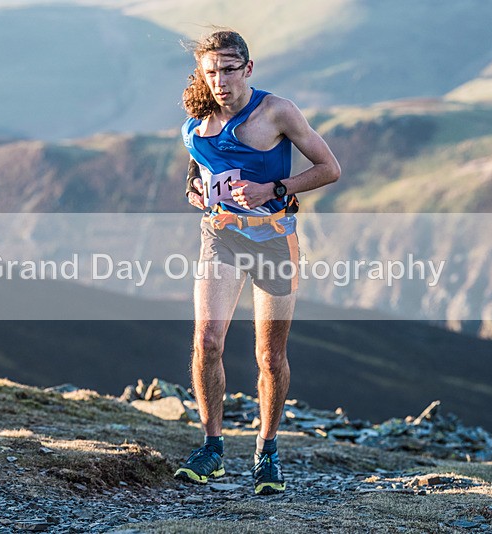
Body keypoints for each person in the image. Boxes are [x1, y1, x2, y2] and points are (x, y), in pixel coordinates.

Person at [174, 30, 340, 495]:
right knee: (207, 341)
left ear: (248, 68)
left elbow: (330, 168)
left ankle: (266, 449)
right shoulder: (197, 115)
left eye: (229, 70)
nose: (220, 81)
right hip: (220, 237)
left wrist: (275, 189)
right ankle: (212, 448)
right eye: (211, 72)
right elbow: (198, 168)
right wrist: (195, 191)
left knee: (269, 356)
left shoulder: (277, 111)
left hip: (274, 241)